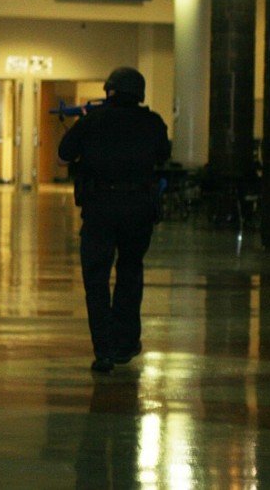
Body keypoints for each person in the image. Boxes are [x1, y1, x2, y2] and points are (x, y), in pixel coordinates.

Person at [57, 67, 170, 373]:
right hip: (138, 210)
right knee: (130, 273)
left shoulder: (92, 120)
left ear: (111, 91)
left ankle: (103, 350)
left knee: (96, 279)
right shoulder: (152, 122)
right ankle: (126, 343)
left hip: (100, 209)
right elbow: (164, 154)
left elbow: (63, 154)